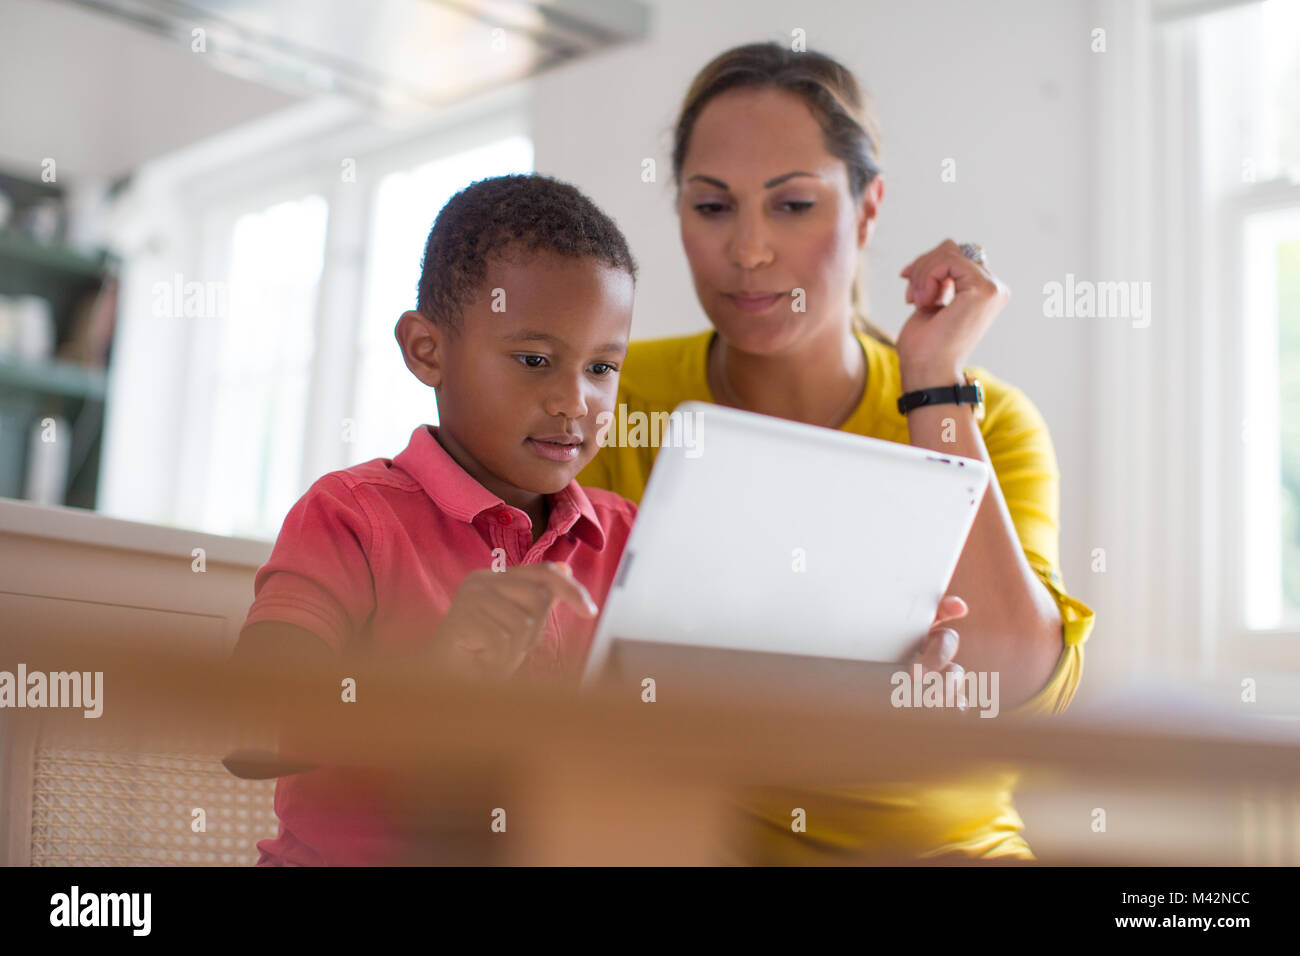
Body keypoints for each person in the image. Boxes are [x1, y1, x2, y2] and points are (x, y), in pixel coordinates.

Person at [576, 41, 1098, 863]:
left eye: (793, 206)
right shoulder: (610, 393)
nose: (749, 251)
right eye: (713, 207)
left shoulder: (986, 415)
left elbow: (1020, 685)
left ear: (867, 209)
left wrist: (932, 383)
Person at [233, 173, 640, 864]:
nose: (575, 403)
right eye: (535, 359)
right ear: (427, 349)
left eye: (602, 368)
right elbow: (248, 725)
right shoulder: (350, 516)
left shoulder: (630, 538)